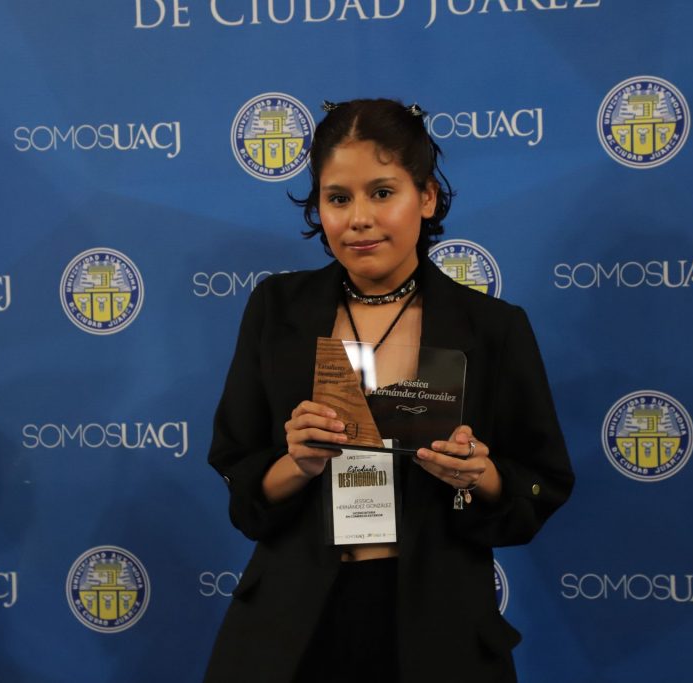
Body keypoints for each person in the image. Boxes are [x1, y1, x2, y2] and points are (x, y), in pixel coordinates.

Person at [205, 98, 573, 682]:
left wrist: (477, 474)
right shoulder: (277, 310)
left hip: (439, 632)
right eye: (338, 198)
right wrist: (296, 463)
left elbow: (541, 482)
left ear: (425, 197)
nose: (359, 219)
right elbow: (239, 471)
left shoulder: (493, 328)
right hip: (291, 630)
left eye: (382, 192)